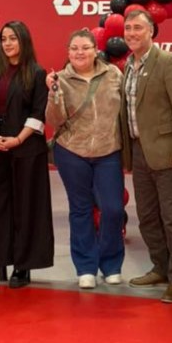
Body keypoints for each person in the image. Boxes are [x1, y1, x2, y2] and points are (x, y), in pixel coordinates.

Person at [119, 7, 172, 304]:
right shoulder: (128, 66)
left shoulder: (169, 61)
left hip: (168, 151)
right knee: (147, 216)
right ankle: (160, 268)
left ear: (151, 31)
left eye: (138, 28)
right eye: (128, 28)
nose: (132, 33)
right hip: (139, 151)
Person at [0, 21, 54, 288]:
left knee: (26, 208)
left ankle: (22, 266)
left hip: (27, 150)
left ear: (24, 41)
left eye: (13, 38)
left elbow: (38, 113)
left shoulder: (36, 73)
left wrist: (17, 139)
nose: (7, 43)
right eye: (4, 39)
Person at [46, 29, 125, 289]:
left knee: (113, 209)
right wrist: (54, 94)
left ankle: (111, 264)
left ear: (95, 51)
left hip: (108, 150)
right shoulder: (60, 79)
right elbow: (54, 120)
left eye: (85, 47)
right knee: (80, 210)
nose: (80, 52)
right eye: (74, 48)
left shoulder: (113, 74)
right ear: (68, 52)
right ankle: (86, 267)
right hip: (72, 151)